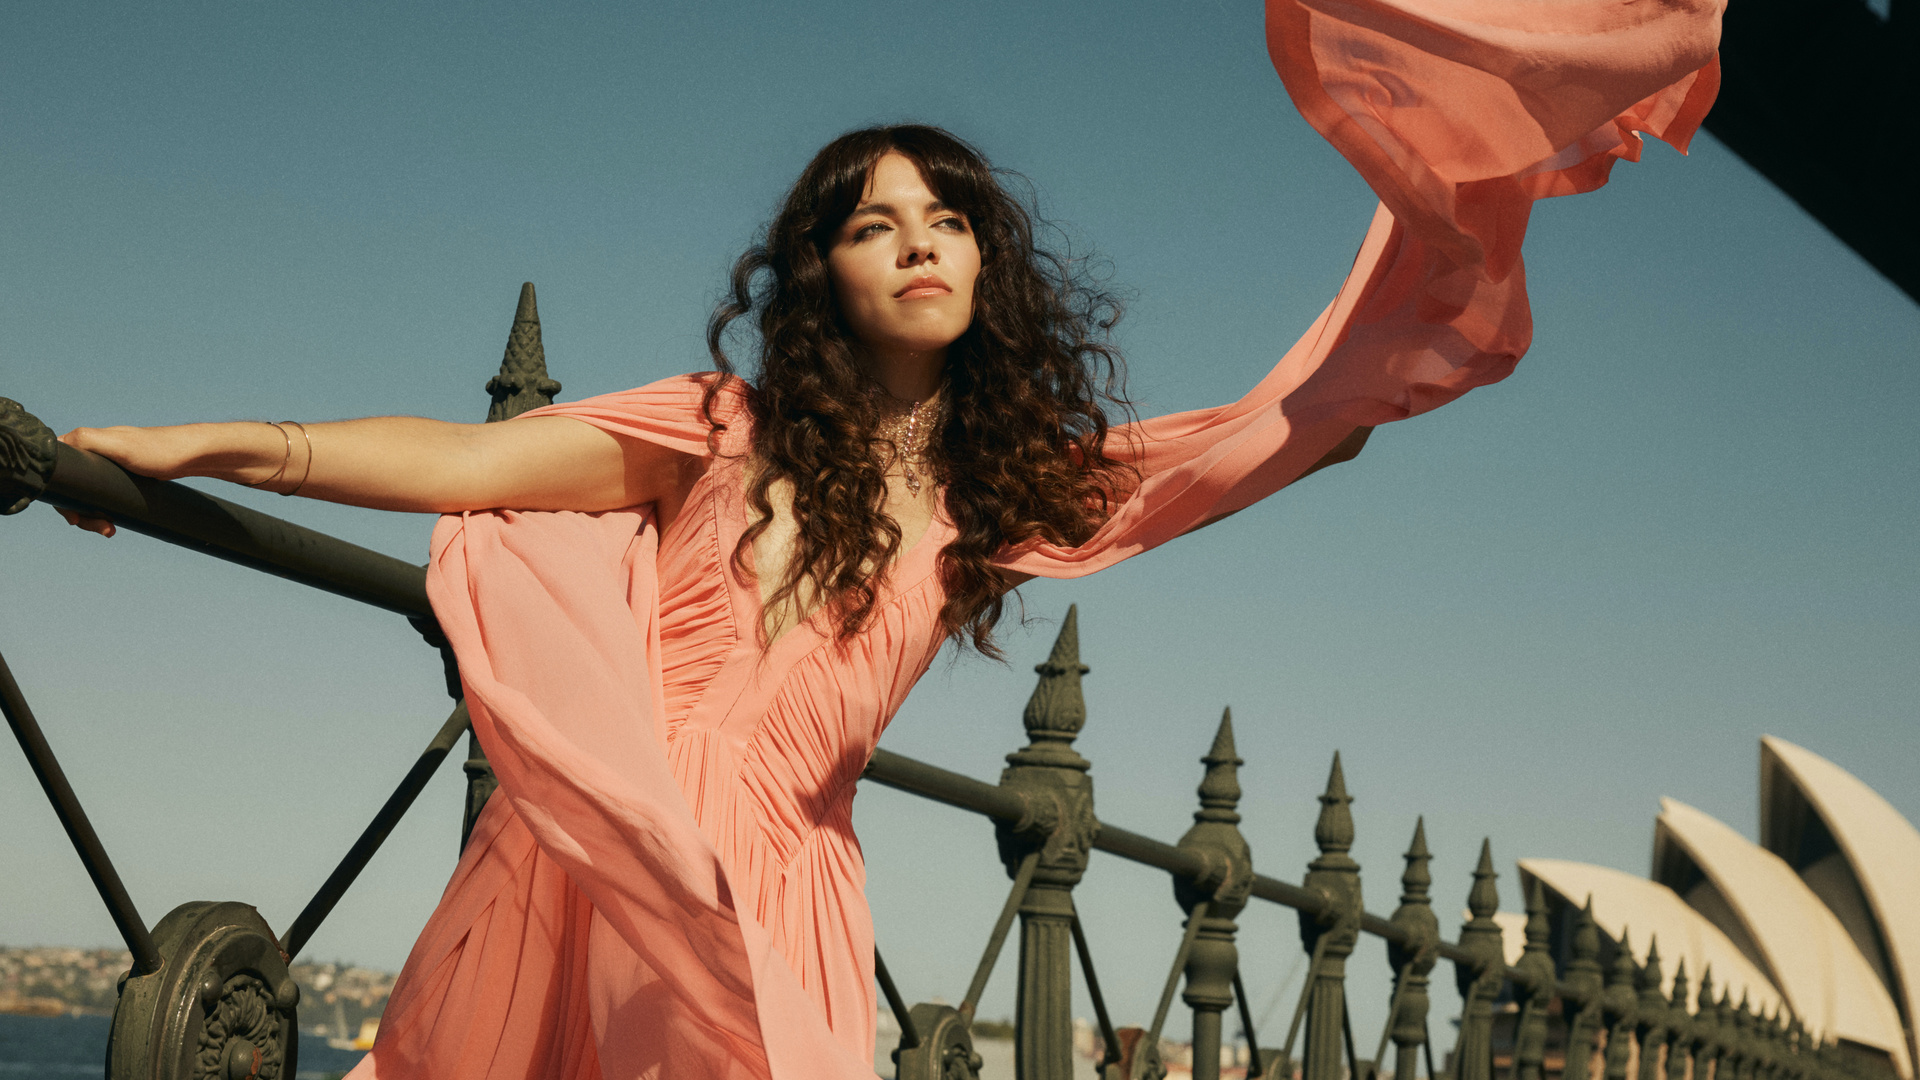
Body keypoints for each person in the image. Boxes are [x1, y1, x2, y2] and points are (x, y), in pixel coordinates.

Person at [56, 1, 1724, 1076]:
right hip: (605, 860)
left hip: (779, 898)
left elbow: (1286, 430)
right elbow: (468, 461)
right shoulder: (718, 431)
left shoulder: (1008, 496)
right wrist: (219, 446)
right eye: (875, 222)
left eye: (945, 221)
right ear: (824, 272)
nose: (916, 243)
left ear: (987, 266)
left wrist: (1449, 216)